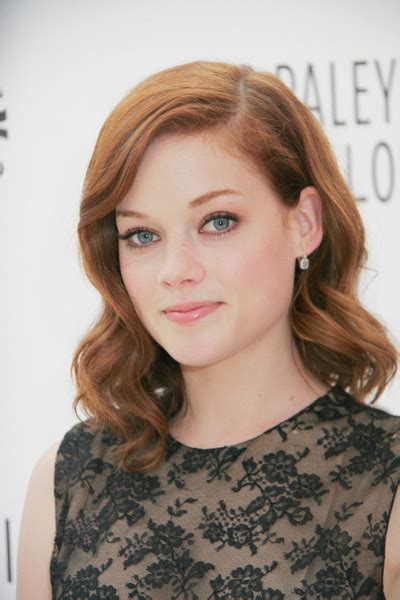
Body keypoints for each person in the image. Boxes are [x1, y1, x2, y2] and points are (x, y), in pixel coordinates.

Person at [16, 60, 400, 599]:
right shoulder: (66, 482)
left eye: (218, 222)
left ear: (304, 223)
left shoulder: (386, 485)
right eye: (142, 235)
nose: (176, 271)